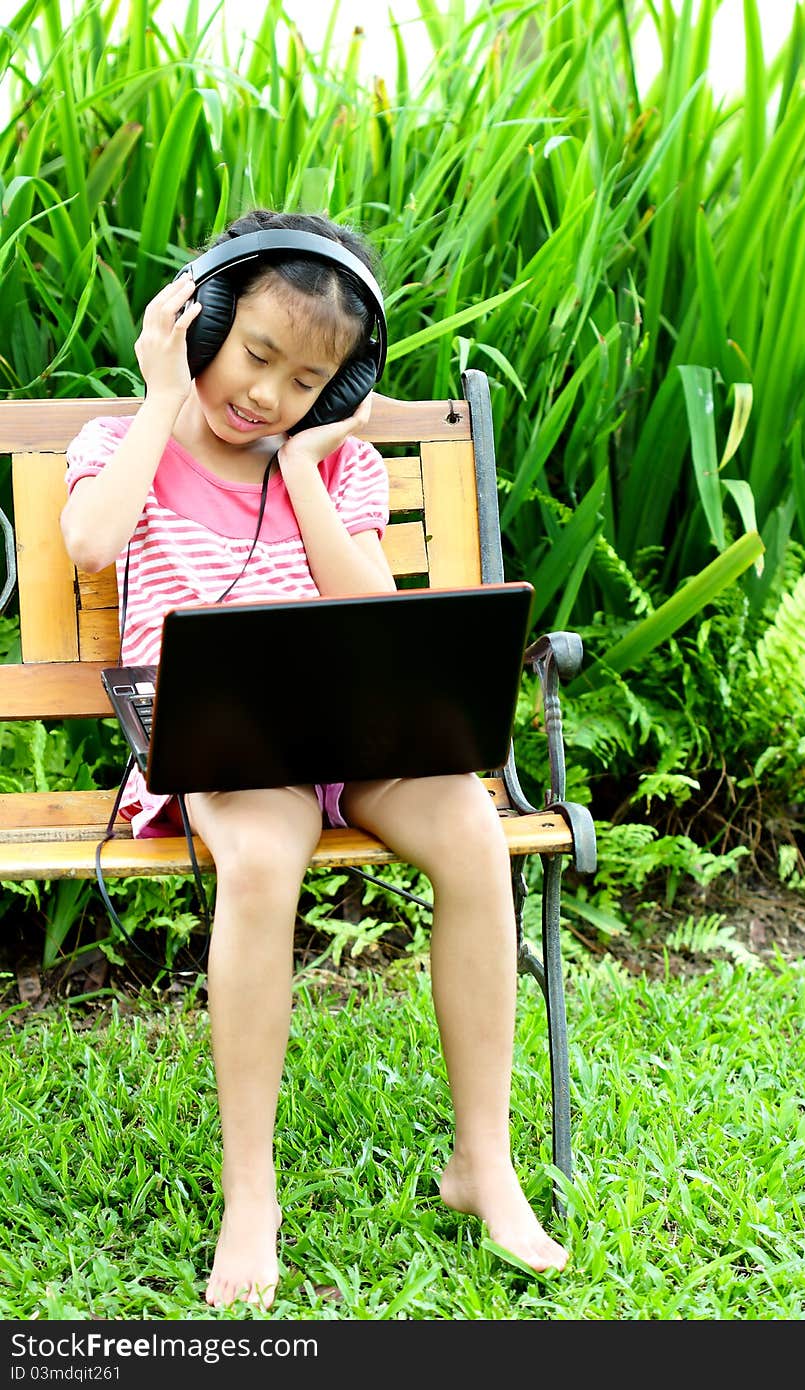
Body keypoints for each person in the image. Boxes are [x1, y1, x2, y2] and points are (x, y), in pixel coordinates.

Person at [60, 208, 569, 1309]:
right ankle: (253, 1195)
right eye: (253, 356)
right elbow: (94, 544)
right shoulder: (123, 443)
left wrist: (299, 470)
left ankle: (483, 1161)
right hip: (226, 751)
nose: (268, 395)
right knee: (258, 862)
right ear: (198, 323)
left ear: (336, 394)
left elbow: (371, 614)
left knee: (475, 832)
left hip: (354, 732)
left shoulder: (338, 471)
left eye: (305, 381)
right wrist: (159, 399)